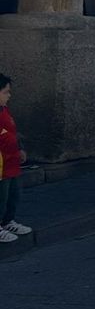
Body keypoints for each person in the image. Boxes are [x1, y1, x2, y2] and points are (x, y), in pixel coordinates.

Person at [0, 74, 27, 242]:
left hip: (11, 161)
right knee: (1, 196)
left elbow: (12, 132)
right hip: (1, 163)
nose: (9, 96)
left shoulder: (5, 110)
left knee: (13, 193)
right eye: (5, 92)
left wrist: (20, 148)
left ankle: (8, 220)